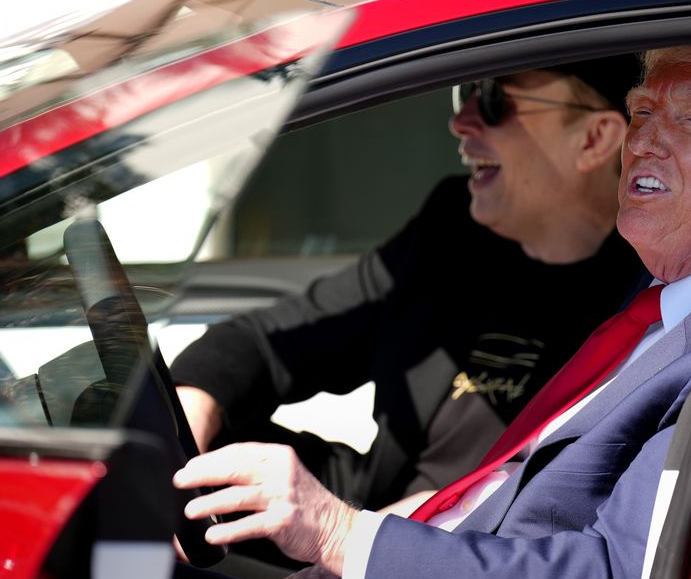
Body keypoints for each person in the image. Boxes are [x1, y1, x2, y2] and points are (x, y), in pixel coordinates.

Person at [166, 37, 691, 579]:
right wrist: (363, 540)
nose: (642, 140)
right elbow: (276, 342)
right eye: (642, 112)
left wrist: (344, 536)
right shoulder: (652, 301)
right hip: (399, 558)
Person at [170, 56, 647, 528]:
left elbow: (577, 511)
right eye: (467, 92)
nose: (460, 121)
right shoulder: (451, 231)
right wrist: (190, 413)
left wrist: (416, 525)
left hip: (474, 557)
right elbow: (272, 342)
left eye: (493, 99)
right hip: (365, 516)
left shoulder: (648, 291)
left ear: (593, 138)